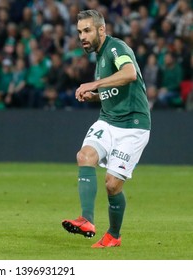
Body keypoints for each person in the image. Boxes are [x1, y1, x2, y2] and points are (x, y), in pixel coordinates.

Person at [62, 10, 151, 248]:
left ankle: (114, 235)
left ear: (101, 30)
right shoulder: (100, 57)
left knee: (112, 184)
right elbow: (112, 91)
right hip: (108, 120)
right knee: (85, 156)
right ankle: (87, 220)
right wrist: (94, 95)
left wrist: (94, 83)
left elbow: (129, 73)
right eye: (80, 31)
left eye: (87, 30)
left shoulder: (115, 48)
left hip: (133, 124)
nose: (82, 36)